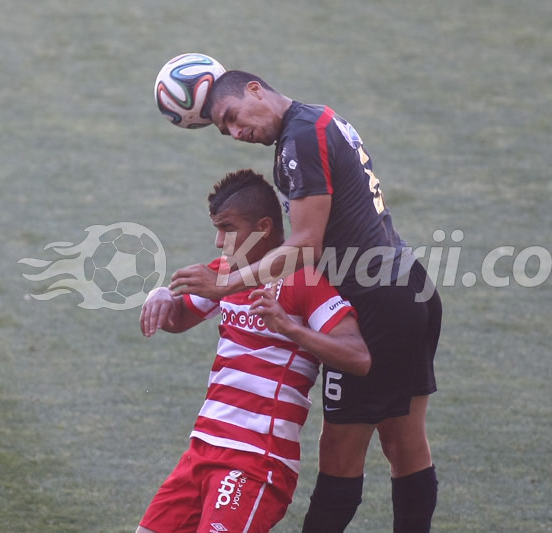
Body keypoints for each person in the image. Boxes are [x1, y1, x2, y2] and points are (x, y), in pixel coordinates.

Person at [169, 70, 442, 532]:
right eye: (225, 130)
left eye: (233, 117)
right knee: (404, 443)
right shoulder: (321, 119)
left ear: (256, 90)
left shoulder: (298, 139)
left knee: (340, 454)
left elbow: (305, 247)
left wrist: (223, 285)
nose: (237, 133)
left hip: (376, 303)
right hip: (409, 288)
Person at [136, 169, 370, 533]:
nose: (218, 241)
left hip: (256, 461)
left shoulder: (303, 281)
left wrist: (290, 328)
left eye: (228, 228)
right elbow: (178, 318)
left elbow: (358, 356)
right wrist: (160, 295)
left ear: (263, 227)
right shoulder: (226, 277)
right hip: (201, 452)